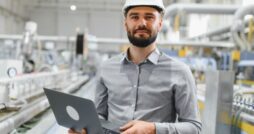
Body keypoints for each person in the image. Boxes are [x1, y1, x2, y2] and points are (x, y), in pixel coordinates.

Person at [69, 0, 202, 133]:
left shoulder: (180, 72)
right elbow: (100, 117)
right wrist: (85, 129)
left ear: (160, 24)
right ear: (126, 24)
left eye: (149, 17)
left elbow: (194, 127)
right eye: (134, 17)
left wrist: (153, 129)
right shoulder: (106, 68)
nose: (142, 23)